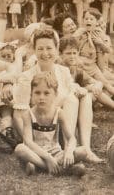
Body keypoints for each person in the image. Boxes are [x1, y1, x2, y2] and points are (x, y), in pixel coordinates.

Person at [10, 29, 100, 162]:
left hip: (63, 127)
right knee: (71, 98)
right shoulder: (26, 77)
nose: (45, 53)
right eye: (40, 49)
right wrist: (30, 141)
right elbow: (18, 115)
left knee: (83, 97)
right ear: (34, 50)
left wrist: (89, 88)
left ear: (57, 49)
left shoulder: (63, 71)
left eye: (49, 48)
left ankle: (86, 149)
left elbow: (73, 89)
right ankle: (65, 152)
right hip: (40, 132)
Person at [15, 74, 88, 176]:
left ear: (55, 94)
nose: (41, 97)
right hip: (37, 153)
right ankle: (62, 170)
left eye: (46, 93)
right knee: (20, 149)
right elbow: (28, 142)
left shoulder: (58, 113)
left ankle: (39, 167)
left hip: (56, 153)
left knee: (83, 151)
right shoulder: (28, 114)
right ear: (31, 94)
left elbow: (71, 138)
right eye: (37, 93)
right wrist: (48, 158)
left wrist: (69, 151)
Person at [59, 36, 114, 110]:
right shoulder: (58, 69)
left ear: (78, 53)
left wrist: (97, 85)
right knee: (88, 90)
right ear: (60, 54)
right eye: (68, 53)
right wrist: (87, 88)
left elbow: (96, 82)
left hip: (76, 97)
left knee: (94, 89)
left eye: (74, 53)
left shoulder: (77, 70)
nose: (72, 56)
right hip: (63, 101)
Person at [74, 8, 114, 97]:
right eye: (86, 19)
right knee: (94, 84)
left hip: (93, 66)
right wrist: (77, 36)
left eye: (91, 19)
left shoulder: (98, 33)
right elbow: (72, 45)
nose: (88, 21)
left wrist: (100, 43)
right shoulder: (80, 32)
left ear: (96, 22)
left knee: (106, 83)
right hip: (82, 65)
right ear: (83, 21)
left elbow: (108, 50)